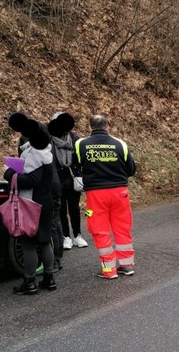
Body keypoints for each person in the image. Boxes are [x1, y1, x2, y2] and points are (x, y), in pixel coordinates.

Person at [74, 114, 137, 279]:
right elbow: (131, 169)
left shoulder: (81, 144)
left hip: (95, 195)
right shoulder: (120, 144)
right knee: (122, 227)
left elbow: (76, 165)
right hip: (120, 193)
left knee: (99, 229)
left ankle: (109, 270)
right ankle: (127, 265)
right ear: (107, 126)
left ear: (90, 127)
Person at [5, 113, 57, 294]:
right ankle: (49, 278)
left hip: (31, 204)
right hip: (45, 202)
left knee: (27, 243)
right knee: (44, 241)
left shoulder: (34, 156)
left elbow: (30, 180)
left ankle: (29, 282)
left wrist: (9, 173)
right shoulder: (47, 153)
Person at [48, 112, 88, 250]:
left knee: (74, 208)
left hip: (73, 179)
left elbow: (81, 158)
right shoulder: (49, 141)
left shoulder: (75, 139)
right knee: (61, 210)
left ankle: (77, 235)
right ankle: (66, 237)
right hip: (57, 180)